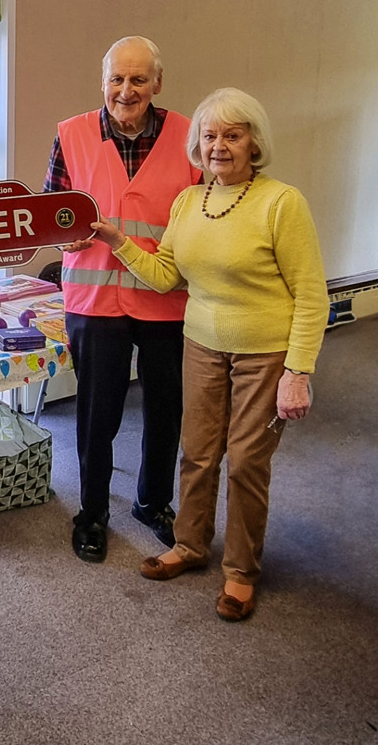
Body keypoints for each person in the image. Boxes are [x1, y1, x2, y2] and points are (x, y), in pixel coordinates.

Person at [80, 87, 328, 620]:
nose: (219, 146)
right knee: (196, 453)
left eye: (232, 135)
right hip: (201, 344)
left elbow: (311, 295)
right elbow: (168, 275)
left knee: (246, 463)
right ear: (198, 144)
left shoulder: (282, 202)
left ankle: (239, 571)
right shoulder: (189, 201)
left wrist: (298, 372)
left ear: (253, 143)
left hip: (264, 349)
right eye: (210, 136)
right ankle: (191, 546)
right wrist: (116, 240)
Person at [45, 36, 203, 563]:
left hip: (165, 297)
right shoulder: (71, 133)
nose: (126, 90)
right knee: (97, 412)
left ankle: (152, 502)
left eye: (138, 80)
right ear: (103, 81)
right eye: (117, 79)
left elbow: (205, 213)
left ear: (157, 83)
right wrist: (59, 232)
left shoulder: (189, 137)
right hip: (93, 298)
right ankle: (91, 511)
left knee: (164, 410)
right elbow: (53, 209)